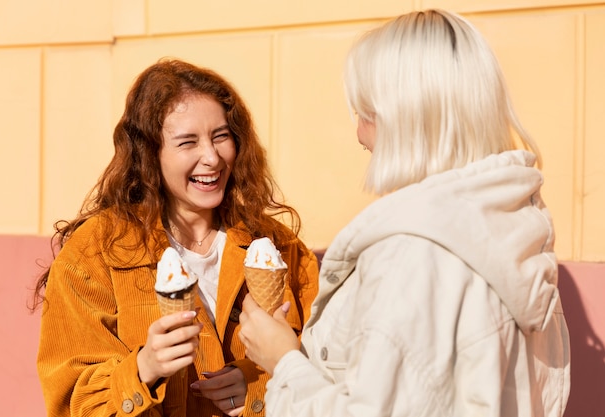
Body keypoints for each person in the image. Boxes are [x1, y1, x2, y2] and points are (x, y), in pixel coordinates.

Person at [238, 9, 570, 417]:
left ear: (408, 117)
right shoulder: (510, 229)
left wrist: (283, 361)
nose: (359, 132)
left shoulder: (416, 254)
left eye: (367, 113)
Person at [32, 58, 319, 417]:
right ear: (150, 154)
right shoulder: (93, 255)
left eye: (221, 136)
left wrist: (258, 382)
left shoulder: (279, 246)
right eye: (188, 143)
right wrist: (144, 369)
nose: (211, 158)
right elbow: (73, 402)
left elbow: (328, 359)